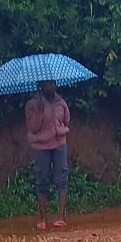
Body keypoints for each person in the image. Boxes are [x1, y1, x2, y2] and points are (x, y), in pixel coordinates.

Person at [25, 78, 70, 230]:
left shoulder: (61, 102)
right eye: (47, 84)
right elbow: (33, 127)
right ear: (40, 86)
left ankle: (61, 217)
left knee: (62, 178)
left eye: (53, 83)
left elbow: (66, 121)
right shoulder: (32, 105)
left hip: (59, 144)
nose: (51, 87)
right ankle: (43, 218)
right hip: (41, 146)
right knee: (41, 180)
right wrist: (40, 111)